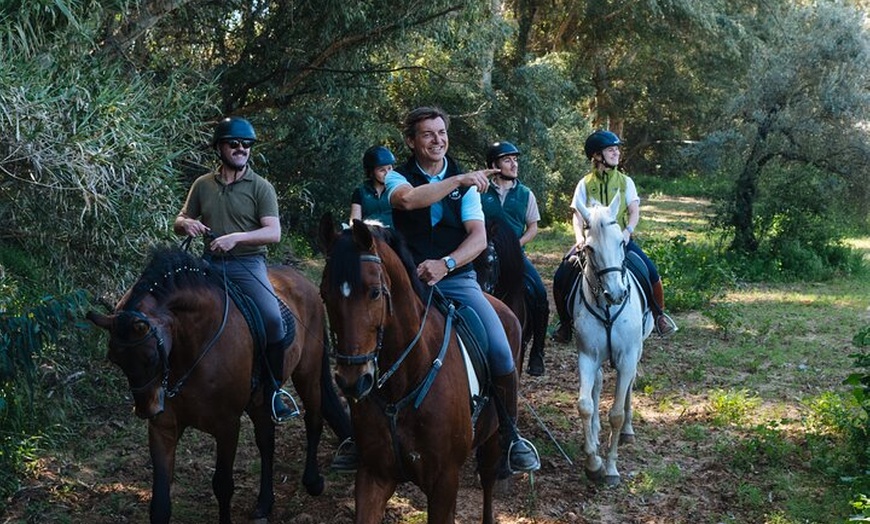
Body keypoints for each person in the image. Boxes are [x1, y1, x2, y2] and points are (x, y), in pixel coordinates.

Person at [331, 107, 541, 476]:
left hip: (457, 280)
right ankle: (357, 435)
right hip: (406, 283)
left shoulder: (468, 187)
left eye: (442, 132)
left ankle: (510, 435)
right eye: (428, 134)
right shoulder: (398, 177)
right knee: (368, 342)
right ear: (411, 141)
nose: (437, 140)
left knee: (500, 349)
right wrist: (459, 180)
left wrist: (446, 263)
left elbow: (477, 238)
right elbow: (409, 201)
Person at [173, 116, 297, 423]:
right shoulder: (202, 184)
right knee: (172, 310)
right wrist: (186, 224)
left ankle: (272, 391)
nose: (241, 149)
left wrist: (236, 238)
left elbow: (273, 233)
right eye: (234, 144)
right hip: (209, 263)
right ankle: (170, 383)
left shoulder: (261, 187)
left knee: (273, 320)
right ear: (219, 147)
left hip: (247, 263)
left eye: (247, 144)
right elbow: (180, 219)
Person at [552, 129, 677, 342]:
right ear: (597, 155)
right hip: (592, 243)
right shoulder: (584, 183)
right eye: (611, 150)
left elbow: (634, 211)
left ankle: (659, 316)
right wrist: (579, 238)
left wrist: (628, 232)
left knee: (650, 271)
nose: (616, 153)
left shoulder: (625, 182)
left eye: (617, 149)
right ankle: (565, 324)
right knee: (562, 274)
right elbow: (577, 216)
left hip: (620, 241)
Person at [480, 141, 549, 376]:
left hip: (514, 256)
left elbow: (533, 227)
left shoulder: (526, 194)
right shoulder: (480, 192)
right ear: (494, 165)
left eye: (515, 160)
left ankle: (537, 352)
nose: (514, 164)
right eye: (507, 160)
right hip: (483, 254)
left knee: (539, 293)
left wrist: (515, 245)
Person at [349, 145, 396, 227]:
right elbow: (355, 221)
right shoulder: (360, 192)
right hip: (370, 233)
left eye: (389, 168)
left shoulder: (397, 189)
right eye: (382, 170)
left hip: (393, 233)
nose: (387, 173)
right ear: (371, 172)